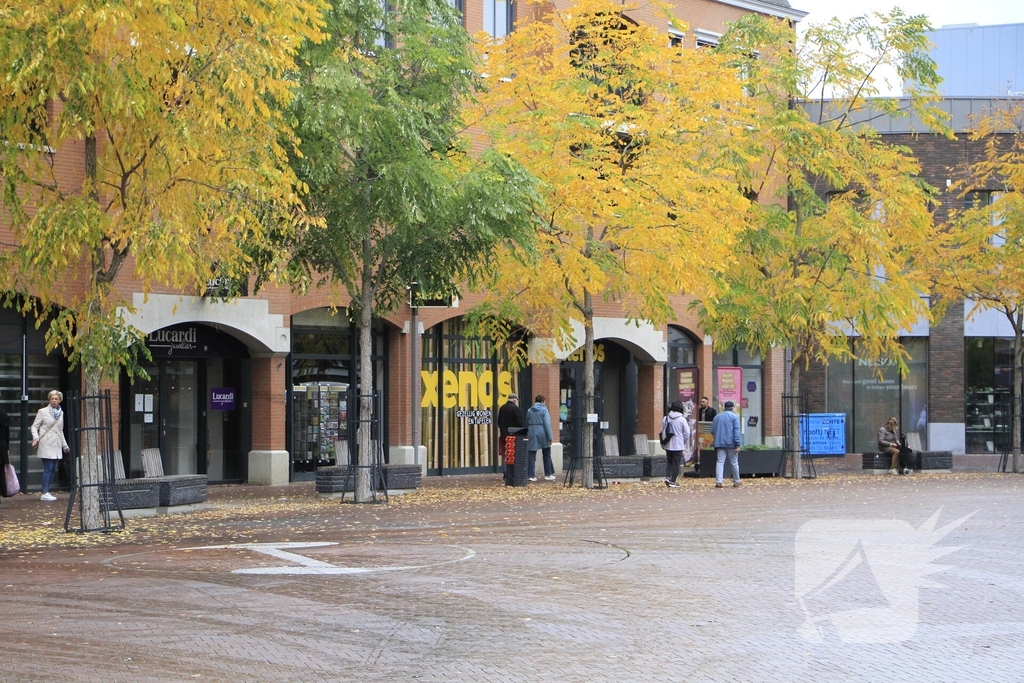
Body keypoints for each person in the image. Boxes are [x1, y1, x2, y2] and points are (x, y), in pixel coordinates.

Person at [31, 390, 70, 501]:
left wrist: (65, 445)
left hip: (56, 443)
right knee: (48, 468)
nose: (54, 400)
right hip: (46, 443)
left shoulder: (61, 413)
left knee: (53, 468)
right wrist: (36, 437)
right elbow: (34, 426)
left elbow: (60, 430)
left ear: (59, 400)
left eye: (56, 399)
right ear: (49, 400)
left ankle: (47, 491)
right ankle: (45, 492)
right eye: (52, 398)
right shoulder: (42, 411)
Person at [661, 400, 692, 488]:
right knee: (676, 463)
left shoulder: (666, 418)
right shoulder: (682, 419)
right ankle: (673, 481)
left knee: (669, 461)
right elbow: (687, 433)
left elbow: (661, 431)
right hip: (678, 444)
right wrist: (684, 441)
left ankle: (668, 477)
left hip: (668, 444)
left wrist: (663, 443)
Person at [711, 400, 741, 488]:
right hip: (731, 443)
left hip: (719, 443)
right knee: (734, 462)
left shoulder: (716, 417)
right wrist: (738, 444)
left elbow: (712, 431)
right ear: (732, 408)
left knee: (720, 462)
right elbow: (736, 432)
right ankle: (736, 481)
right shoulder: (734, 417)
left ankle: (719, 481)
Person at [525, 395, 555, 482]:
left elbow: (527, 421)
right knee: (546, 453)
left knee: (531, 453)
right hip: (542, 432)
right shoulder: (544, 410)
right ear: (543, 401)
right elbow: (547, 424)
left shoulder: (530, 410)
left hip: (532, 431)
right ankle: (548, 474)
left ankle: (530, 475)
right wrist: (550, 437)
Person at [497, 393, 524, 477]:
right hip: (514, 435)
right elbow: (520, 422)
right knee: (514, 453)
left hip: (504, 435)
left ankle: (505, 471)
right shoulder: (515, 408)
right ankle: (512, 472)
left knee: (506, 453)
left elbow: (499, 422)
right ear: (514, 399)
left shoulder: (502, 408)